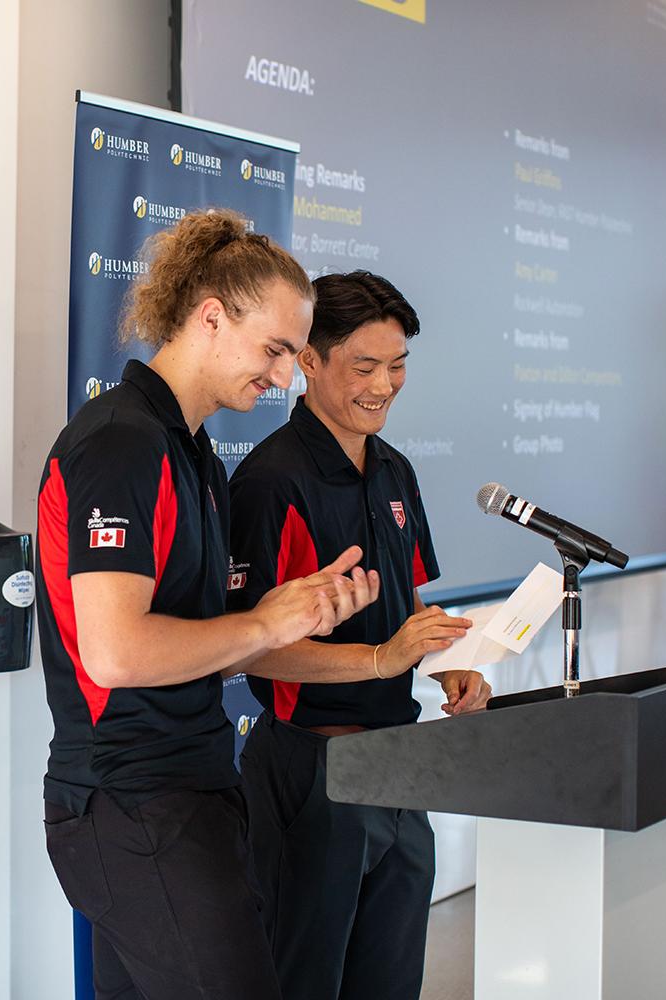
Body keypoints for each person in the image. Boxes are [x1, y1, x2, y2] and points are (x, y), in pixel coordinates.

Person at [35, 211, 389, 1000]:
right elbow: (116, 652)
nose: (286, 377)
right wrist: (264, 622)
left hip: (186, 791)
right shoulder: (121, 443)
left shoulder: (189, 452)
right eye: (274, 351)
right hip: (131, 805)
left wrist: (296, 613)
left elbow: (214, 635)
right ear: (209, 317)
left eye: (293, 357)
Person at [228, 270, 487, 999]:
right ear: (308, 361)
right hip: (314, 768)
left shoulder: (395, 471)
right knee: (307, 979)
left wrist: (450, 665)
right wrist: (381, 659)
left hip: (398, 764)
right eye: (364, 366)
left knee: (391, 978)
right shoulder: (270, 483)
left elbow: (413, 609)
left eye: (397, 365)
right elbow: (253, 646)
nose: (385, 384)